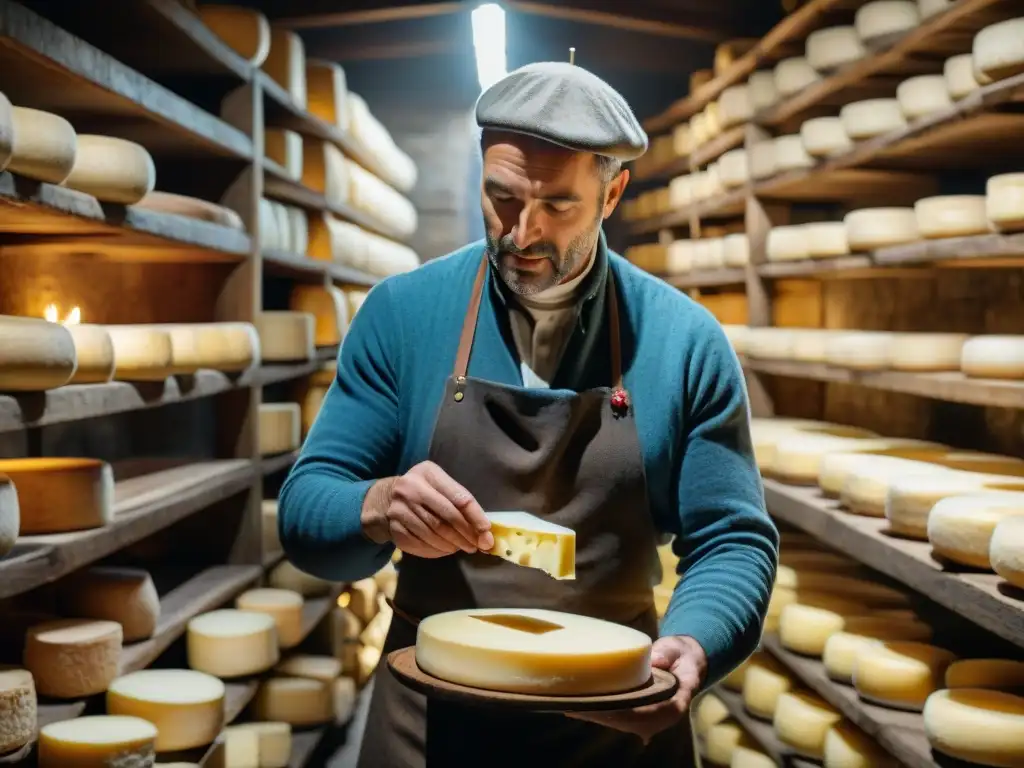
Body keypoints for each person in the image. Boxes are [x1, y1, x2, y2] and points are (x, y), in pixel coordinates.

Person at [279, 60, 778, 768]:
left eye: (558, 206)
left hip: (614, 721)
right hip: (432, 718)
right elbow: (305, 510)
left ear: (612, 195)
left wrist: (693, 645)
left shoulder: (683, 341)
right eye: (501, 197)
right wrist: (378, 504)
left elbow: (733, 539)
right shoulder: (404, 314)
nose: (521, 233)